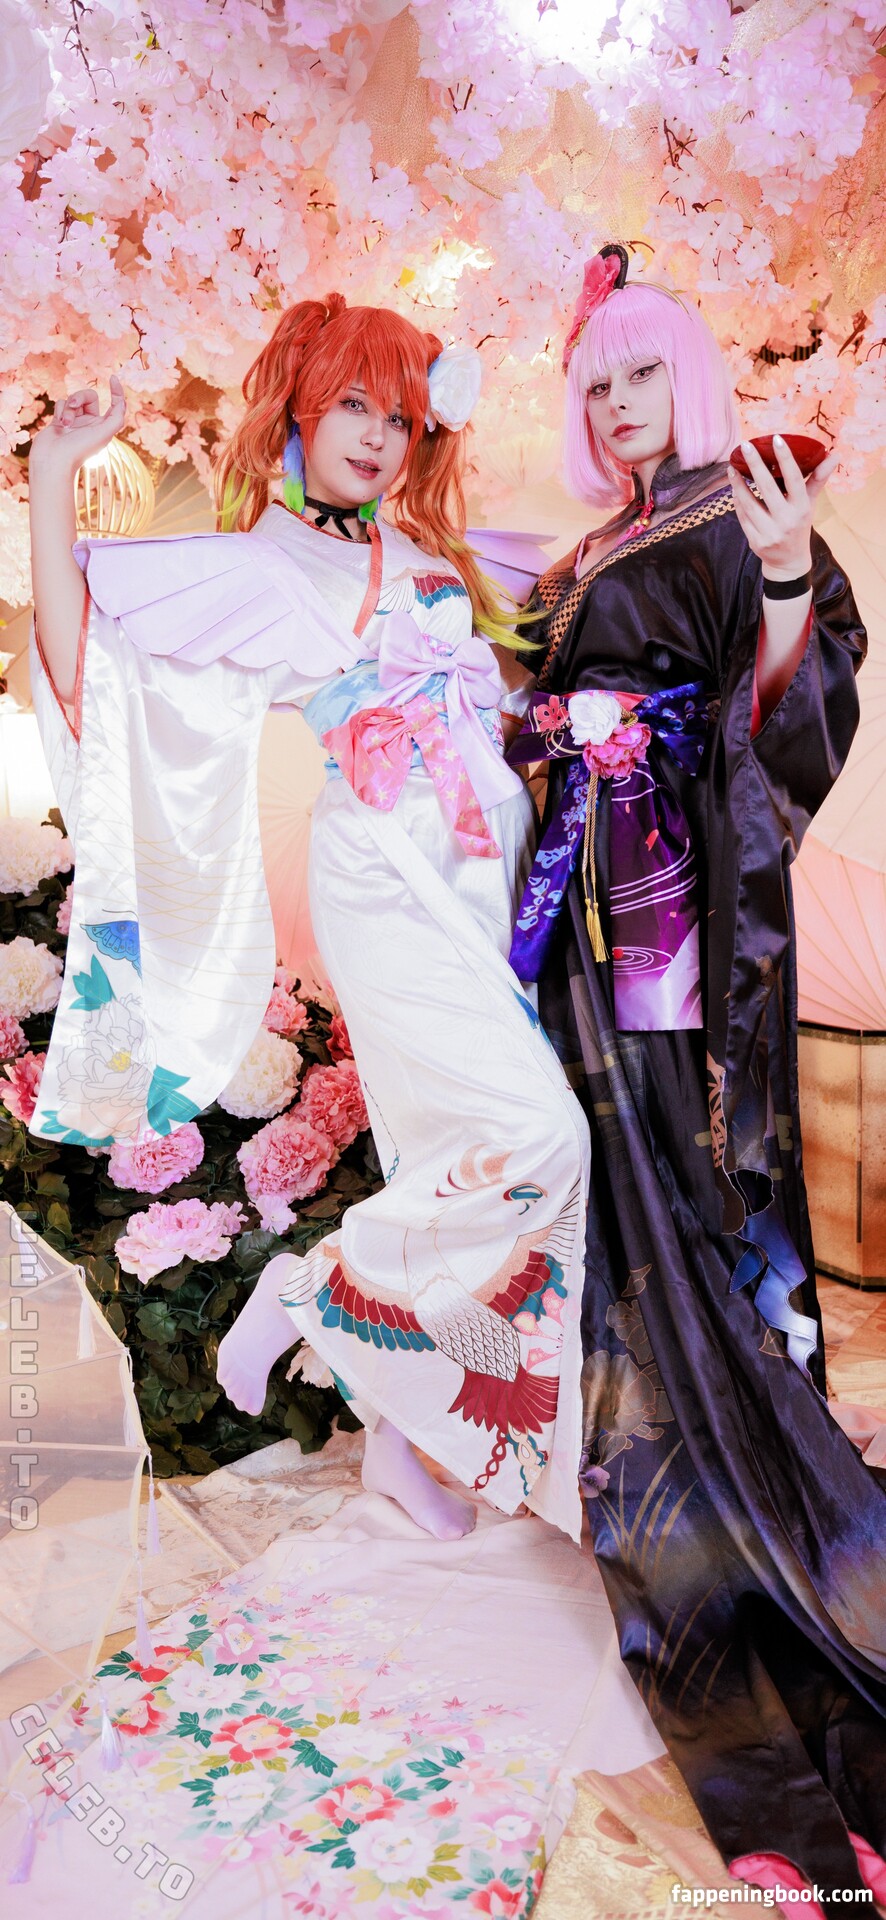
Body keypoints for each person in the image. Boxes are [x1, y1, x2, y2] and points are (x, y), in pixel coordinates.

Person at [26, 295, 589, 1549]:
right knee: (539, 1138)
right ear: (297, 408)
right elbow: (82, 653)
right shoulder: (260, 564)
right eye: (353, 407)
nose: (378, 437)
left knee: (454, 1160)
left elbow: (503, 713)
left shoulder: (426, 556)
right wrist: (55, 470)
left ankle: (396, 1439)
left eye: (400, 417)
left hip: (484, 883)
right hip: (386, 879)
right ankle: (312, 1291)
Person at [505, 244, 886, 1908]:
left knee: (696, 1201)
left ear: (693, 375)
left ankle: (770, 1519)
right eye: (592, 384)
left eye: (640, 372)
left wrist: (788, 582)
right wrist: (551, 733)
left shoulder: (743, 509)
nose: (615, 404)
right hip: (583, 924)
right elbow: (525, 717)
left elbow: (788, 724)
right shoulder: (574, 558)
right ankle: (672, 1474)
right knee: (615, 1221)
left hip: (678, 913)